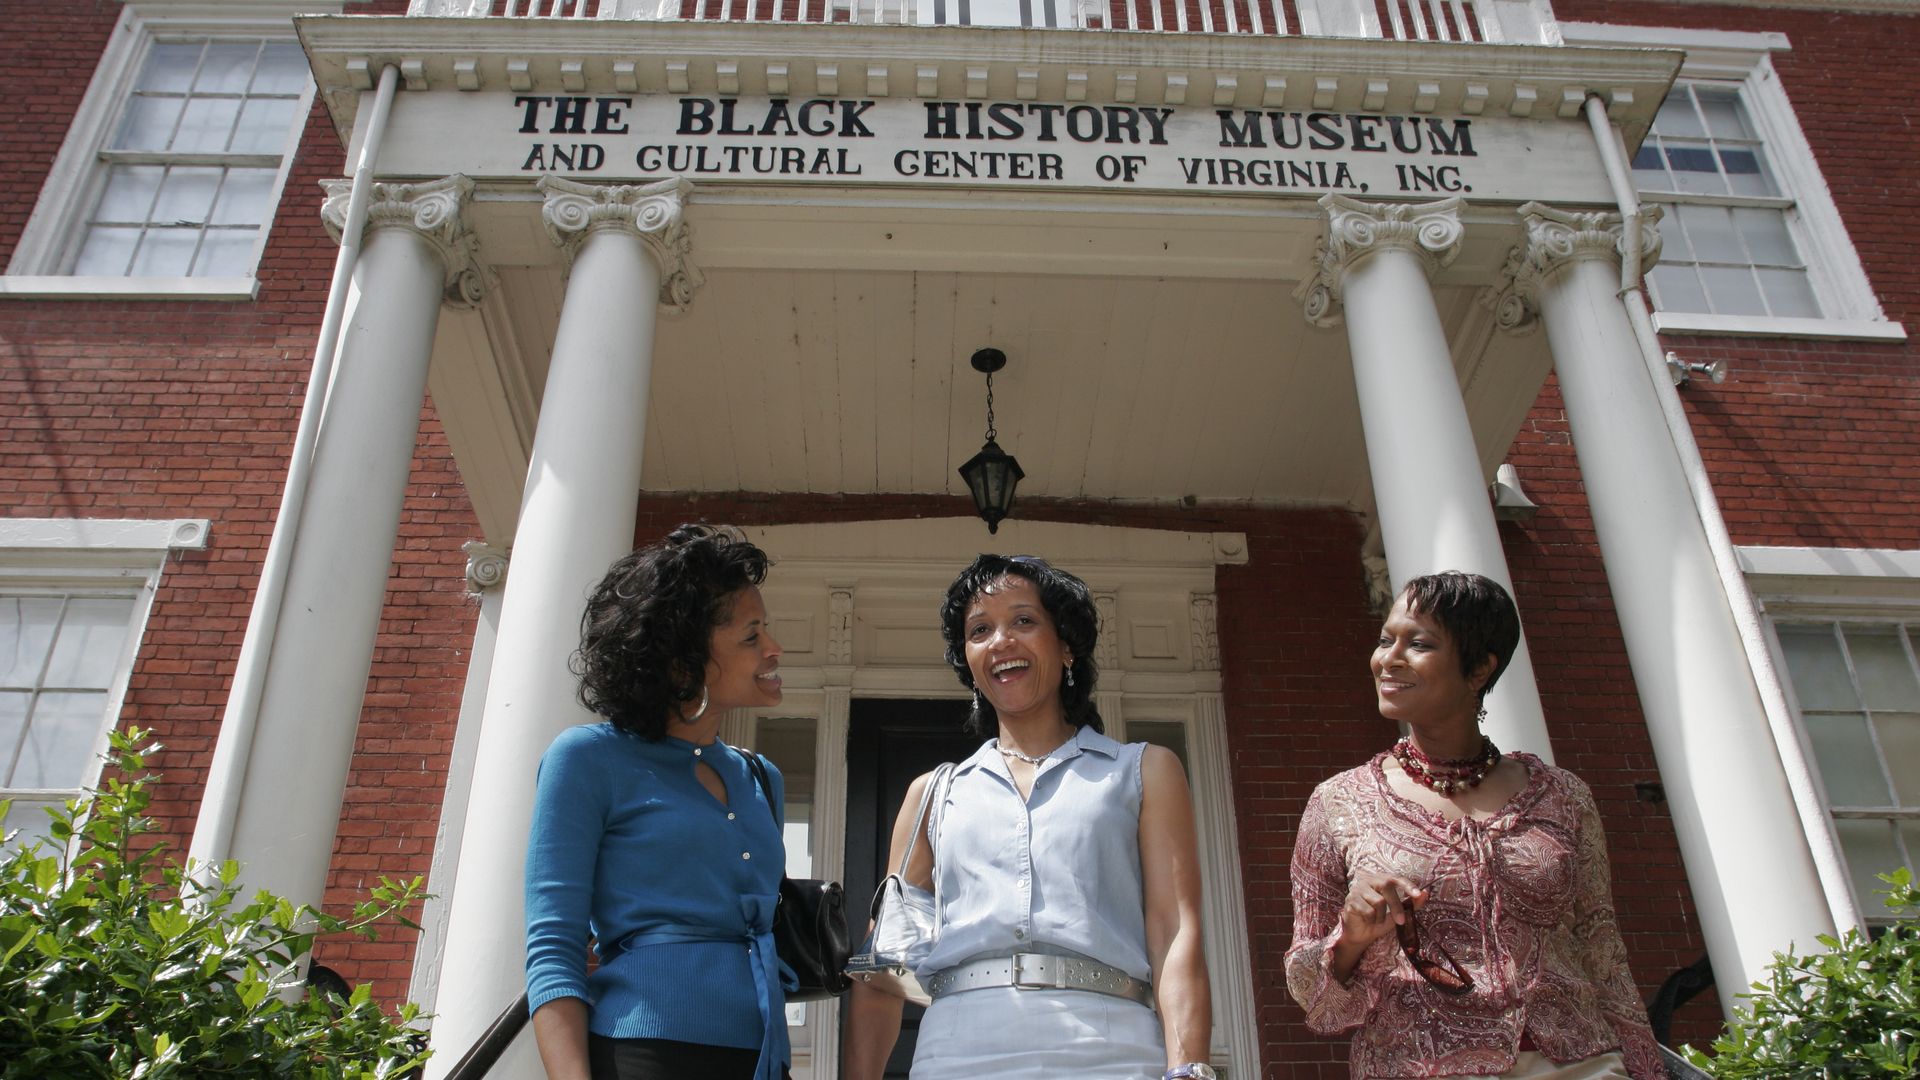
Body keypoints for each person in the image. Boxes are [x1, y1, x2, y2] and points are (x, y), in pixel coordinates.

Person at [845, 553, 1216, 1080]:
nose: (1001, 641)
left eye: (1024, 620)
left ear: (1066, 645)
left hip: (1113, 1052)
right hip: (956, 1053)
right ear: (969, 661)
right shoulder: (931, 795)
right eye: (980, 629)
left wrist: (1190, 1069)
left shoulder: (1144, 771)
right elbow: (883, 970)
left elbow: (1174, 932)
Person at [1286, 571, 1662, 1079]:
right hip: (1418, 1065)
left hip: (1580, 1064)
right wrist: (1351, 936)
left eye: (1418, 643)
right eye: (1385, 639)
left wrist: (1646, 1067)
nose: (1388, 658)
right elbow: (1311, 991)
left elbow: (1603, 947)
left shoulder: (1562, 795)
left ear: (1479, 669)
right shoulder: (1340, 801)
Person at [524, 524, 792, 1080]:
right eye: (750, 636)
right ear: (680, 664)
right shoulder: (587, 760)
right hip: (646, 1054)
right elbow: (554, 947)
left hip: (763, 1057)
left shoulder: (760, 777)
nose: (773, 650)